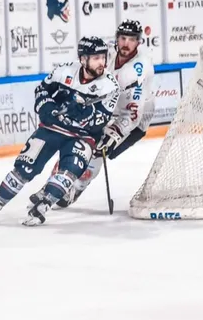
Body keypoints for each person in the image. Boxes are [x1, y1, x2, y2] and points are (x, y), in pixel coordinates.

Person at [0, 36, 120, 226]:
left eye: (103, 57)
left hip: (82, 136)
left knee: (70, 170)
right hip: (53, 128)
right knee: (26, 166)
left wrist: (83, 112)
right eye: (96, 58)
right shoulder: (64, 71)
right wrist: (48, 108)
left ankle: (45, 205)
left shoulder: (110, 86)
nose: (102, 62)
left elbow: (99, 121)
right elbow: (42, 91)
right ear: (83, 59)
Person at [55, 19, 154, 208]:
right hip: (106, 109)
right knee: (75, 140)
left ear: (139, 41)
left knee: (98, 151)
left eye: (131, 39)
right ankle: (57, 182)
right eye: (123, 38)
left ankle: (76, 188)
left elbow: (132, 115)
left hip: (132, 121)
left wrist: (115, 133)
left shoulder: (138, 71)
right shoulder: (107, 53)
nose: (126, 43)